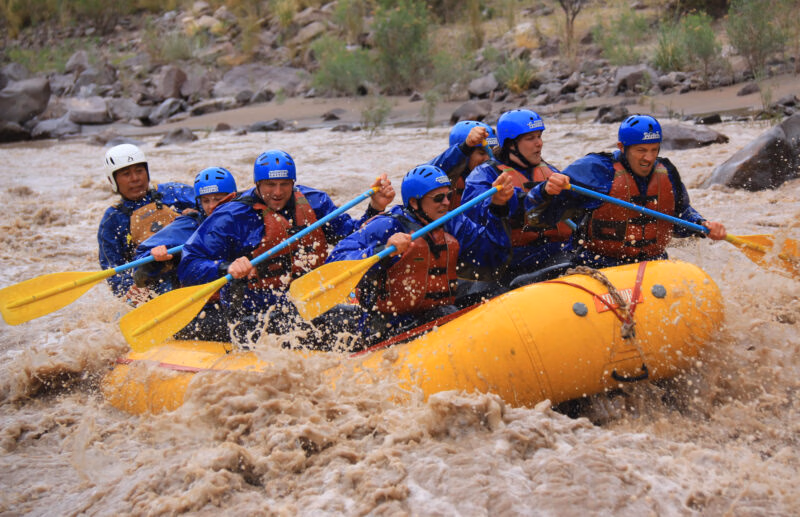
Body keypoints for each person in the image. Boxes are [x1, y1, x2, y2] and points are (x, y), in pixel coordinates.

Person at [177, 149, 395, 345]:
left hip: (307, 300)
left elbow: (353, 237)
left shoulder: (315, 202)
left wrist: (375, 208)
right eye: (270, 185)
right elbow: (189, 265)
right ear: (257, 185)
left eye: (284, 184)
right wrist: (225, 267)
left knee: (369, 320)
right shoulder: (230, 217)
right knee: (341, 324)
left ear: (293, 183)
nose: (278, 192)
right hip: (252, 311)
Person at [323, 164, 514, 347]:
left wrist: (498, 209)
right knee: (443, 313)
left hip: (437, 312)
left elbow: (494, 260)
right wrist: (383, 251)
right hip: (387, 325)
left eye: (448, 196)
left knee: (497, 294)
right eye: (438, 198)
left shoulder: (454, 223)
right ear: (414, 203)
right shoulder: (387, 226)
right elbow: (336, 260)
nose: (447, 203)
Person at [524, 114, 727, 269]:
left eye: (654, 149)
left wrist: (702, 225)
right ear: (622, 147)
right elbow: (540, 217)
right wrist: (546, 191)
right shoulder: (595, 169)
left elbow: (680, 216)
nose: (649, 158)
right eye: (641, 150)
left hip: (653, 263)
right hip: (599, 264)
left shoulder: (666, 172)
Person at [460, 109, 574, 286]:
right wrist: (503, 202)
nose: (539, 144)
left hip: (555, 254)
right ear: (511, 145)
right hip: (510, 263)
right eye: (530, 139)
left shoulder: (550, 172)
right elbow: (475, 214)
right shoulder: (483, 175)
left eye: (539, 136)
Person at [131, 167, 238, 341]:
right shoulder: (188, 226)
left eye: (218, 199)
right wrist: (154, 258)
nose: (212, 206)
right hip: (198, 310)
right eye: (206, 201)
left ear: (232, 197)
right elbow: (140, 264)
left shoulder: (245, 218)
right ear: (199, 203)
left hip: (233, 301)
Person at [97, 143, 196, 303]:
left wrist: (195, 213)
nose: (135, 178)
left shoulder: (173, 192)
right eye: (126, 174)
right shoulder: (112, 220)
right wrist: (129, 288)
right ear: (113, 180)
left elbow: (212, 207)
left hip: (191, 263)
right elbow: (112, 267)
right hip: (153, 280)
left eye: (139, 171)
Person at [425, 120, 498, 208]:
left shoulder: (494, 175)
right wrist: (465, 147)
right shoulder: (448, 178)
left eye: (490, 151)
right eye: (482, 153)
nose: (488, 159)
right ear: (466, 154)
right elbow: (425, 173)